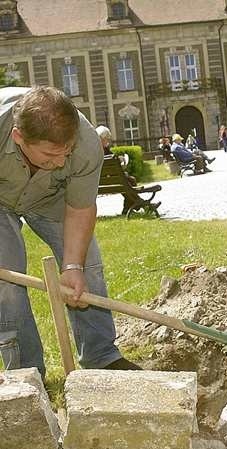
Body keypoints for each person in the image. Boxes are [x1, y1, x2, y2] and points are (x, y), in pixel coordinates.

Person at [0, 86, 141, 378]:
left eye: (67, 152)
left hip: (52, 198)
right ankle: (27, 374)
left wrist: (73, 265)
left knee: (86, 268)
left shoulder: (87, 144)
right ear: (18, 137)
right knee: (6, 280)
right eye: (51, 154)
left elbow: (80, 208)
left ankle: (101, 357)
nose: (63, 162)